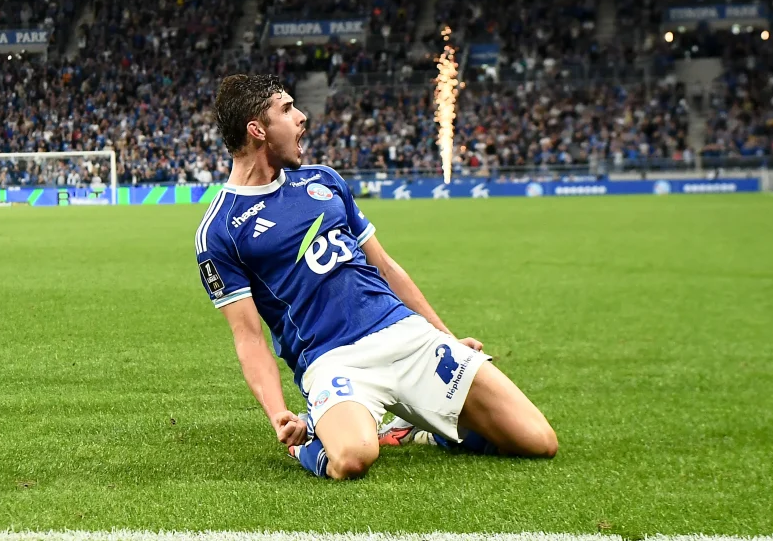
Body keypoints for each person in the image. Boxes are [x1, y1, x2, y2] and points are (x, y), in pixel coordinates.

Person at [194, 74, 557, 481]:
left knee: (537, 441)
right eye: (286, 109)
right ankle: (309, 439)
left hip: (405, 334)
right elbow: (248, 336)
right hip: (333, 359)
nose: (301, 117)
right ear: (257, 129)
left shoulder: (323, 180)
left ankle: (427, 430)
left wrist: (445, 335)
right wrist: (278, 412)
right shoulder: (220, 230)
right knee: (351, 459)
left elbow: (386, 267)